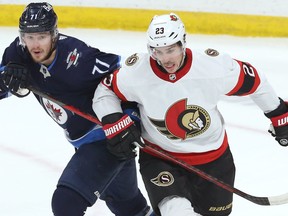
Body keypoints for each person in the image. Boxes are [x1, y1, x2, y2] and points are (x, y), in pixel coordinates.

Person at [92, 13, 288, 216]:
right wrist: (113, 118)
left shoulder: (212, 66)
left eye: (171, 49)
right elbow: (105, 90)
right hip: (161, 157)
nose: (165, 59)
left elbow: (255, 81)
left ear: (183, 42)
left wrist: (278, 112)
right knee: (175, 211)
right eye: (157, 51)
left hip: (214, 159)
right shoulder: (137, 73)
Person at [0, 2, 154, 216]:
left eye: (42, 36)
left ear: (54, 34)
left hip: (109, 138)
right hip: (83, 141)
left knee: (66, 204)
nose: (35, 44)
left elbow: (124, 78)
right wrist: (3, 79)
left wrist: (130, 120)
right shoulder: (18, 52)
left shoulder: (77, 57)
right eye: (29, 36)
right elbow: (6, 81)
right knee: (126, 205)